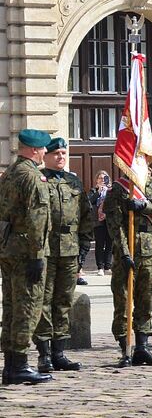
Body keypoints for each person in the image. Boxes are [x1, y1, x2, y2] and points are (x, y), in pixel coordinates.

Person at [33, 137, 92, 373]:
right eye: (56, 153)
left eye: (64, 153)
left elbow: (85, 216)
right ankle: (44, 354)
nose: (61, 157)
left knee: (64, 300)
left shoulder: (73, 181)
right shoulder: (38, 180)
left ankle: (59, 352)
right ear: (46, 156)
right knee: (44, 301)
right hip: (46, 250)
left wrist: (83, 248)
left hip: (69, 249)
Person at [104, 169, 152, 367]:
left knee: (146, 300)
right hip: (126, 250)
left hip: (149, 249)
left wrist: (145, 206)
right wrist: (124, 252)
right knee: (123, 301)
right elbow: (114, 224)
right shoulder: (118, 189)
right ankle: (125, 348)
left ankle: (142, 347)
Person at [0, 129, 53, 384]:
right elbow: (37, 219)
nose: (44, 152)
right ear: (34, 150)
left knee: (11, 305)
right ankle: (19, 364)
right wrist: (37, 255)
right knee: (28, 305)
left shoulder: (10, 172)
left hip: (9, 246)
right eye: (42, 149)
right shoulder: (32, 176)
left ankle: (10, 365)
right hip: (26, 249)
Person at [88, 171, 113, 276]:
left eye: (104, 178)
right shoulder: (93, 191)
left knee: (109, 244)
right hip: (98, 221)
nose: (102, 180)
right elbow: (89, 201)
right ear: (96, 180)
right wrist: (98, 192)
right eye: (100, 178)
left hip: (109, 221)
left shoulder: (111, 190)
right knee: (99, 244)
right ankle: (100, 267)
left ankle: (108, 266)